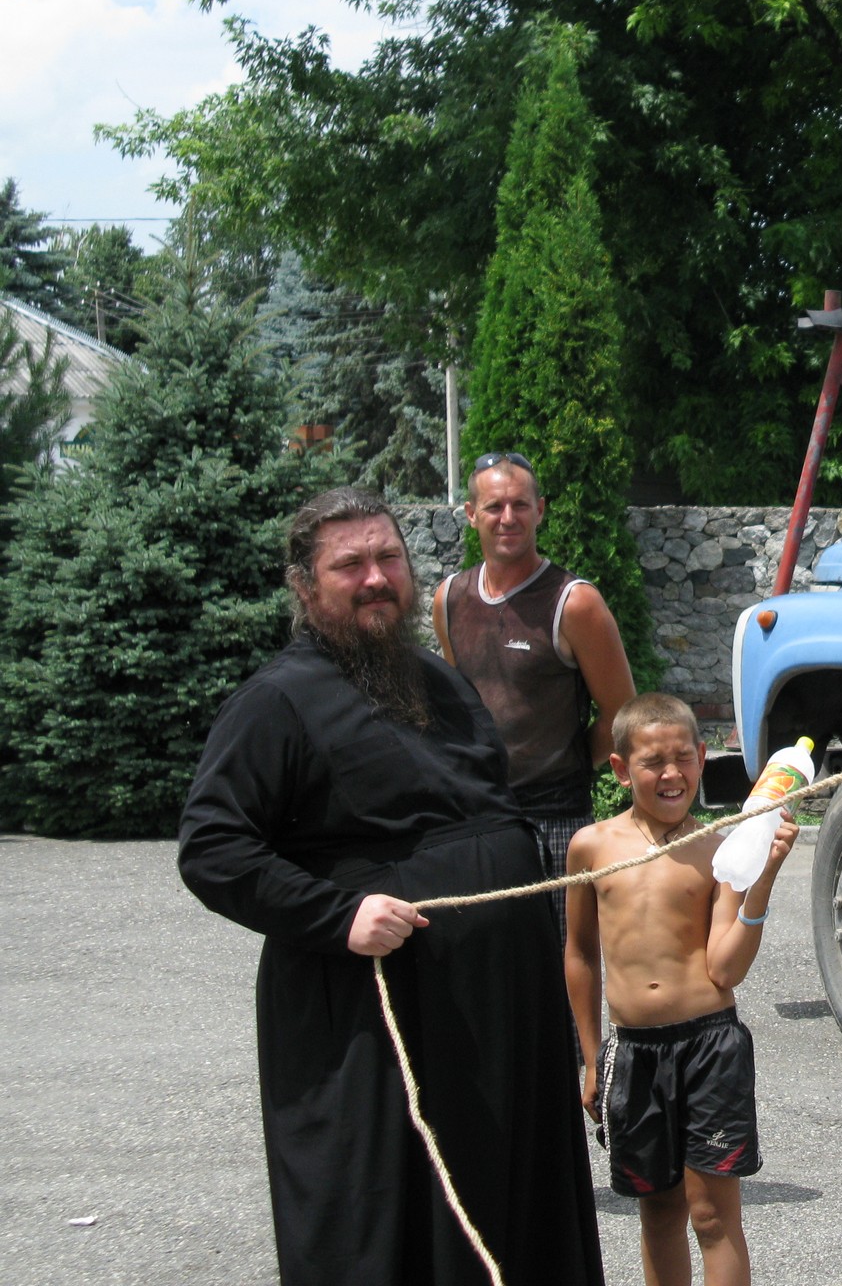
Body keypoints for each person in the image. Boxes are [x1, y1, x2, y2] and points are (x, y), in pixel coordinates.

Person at [179, 486, 604, 1286]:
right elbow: (212, 848)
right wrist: (337, 914)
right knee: (395, 1221)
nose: (376, 578)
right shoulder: (277, 702)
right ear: (306, 586)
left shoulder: (439, 684)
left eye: (388, 559)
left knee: (511, 1210)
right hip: (380, 1018)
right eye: (350, 565)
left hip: (496, 1015)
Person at [565, 692, 799, 1286]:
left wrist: (762, 880)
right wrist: (592, 1059)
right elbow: (580, 954)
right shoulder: (591, 848)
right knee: (659, 1211)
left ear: (701, 757)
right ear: (620, 770)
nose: (670, 774)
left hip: (709, 1049)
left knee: (711, 1216)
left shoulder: (721, 849)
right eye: (652, 762)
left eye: (682, 759)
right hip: (634, 1053)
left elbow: (725, 969)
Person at [432, 450, 636, 941]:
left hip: (556, 821)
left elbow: (620, 712)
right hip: (480, 819)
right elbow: (457, 710)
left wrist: (560, 765)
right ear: (471, 515)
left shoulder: (575, 602)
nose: (508, 518)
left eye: (520, 505)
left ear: (540, 510)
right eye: (494, 506)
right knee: (489, 968)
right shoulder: (449, 600)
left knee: (563, 969)